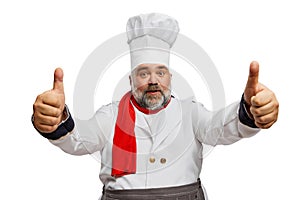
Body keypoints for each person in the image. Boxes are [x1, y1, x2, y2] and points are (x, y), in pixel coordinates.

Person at [32, 13, 279, 200]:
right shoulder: (110, 115)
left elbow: (222, 126)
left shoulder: (190, 113)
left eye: (160, 72)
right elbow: (78, 139)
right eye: (143, 73)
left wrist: (250, 110)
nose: (153, 81)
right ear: (130, 80)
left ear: (170, 78)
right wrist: (55, 118)